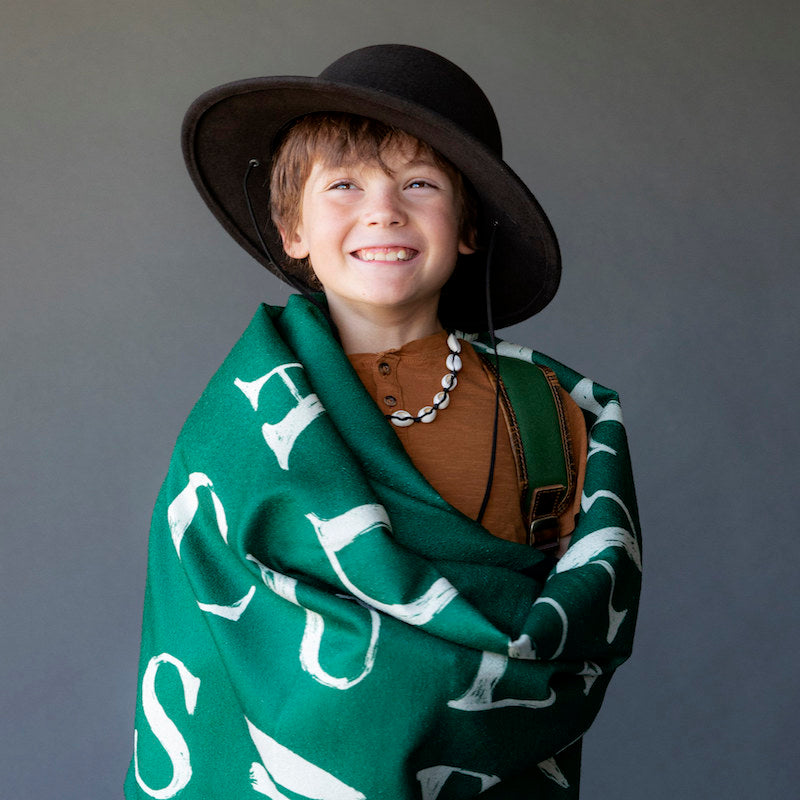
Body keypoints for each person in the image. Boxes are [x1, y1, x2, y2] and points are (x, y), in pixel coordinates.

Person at [126, 45, 641, 799]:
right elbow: (203, 646)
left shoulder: (552, 413)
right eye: (343, 184)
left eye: (420, 183)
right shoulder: (236, 429)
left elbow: (572, 633)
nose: (383, 210)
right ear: (291, 230)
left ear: (468, 229)